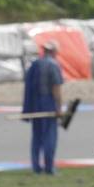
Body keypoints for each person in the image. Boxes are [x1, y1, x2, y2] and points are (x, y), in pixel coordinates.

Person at [22, 40, 63, 174]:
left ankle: (36, 167)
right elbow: (56, 88)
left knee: (37, 137)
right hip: (48, 102)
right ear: (53, 52)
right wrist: (59, 107)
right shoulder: (53, 65)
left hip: (35, 104)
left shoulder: (34, 64)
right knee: (49, 136)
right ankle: (49, 167)